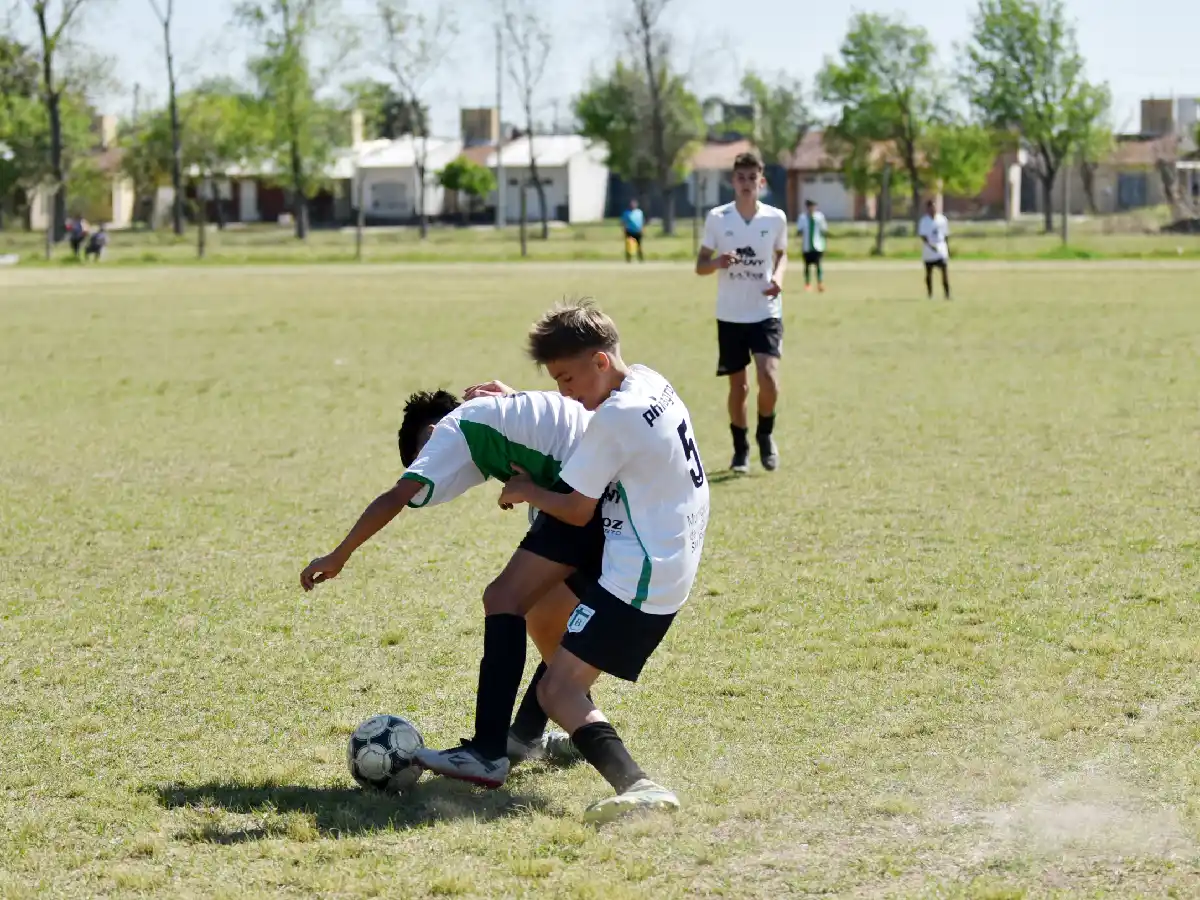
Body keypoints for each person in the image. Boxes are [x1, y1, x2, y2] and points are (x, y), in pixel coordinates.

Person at [418, 302, 710, 824]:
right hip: (668, 553)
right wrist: (519, 405)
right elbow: (601, 431)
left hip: (641, 575)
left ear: (600, 361)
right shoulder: (645, 382)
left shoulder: (615, 416)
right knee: (546, 608)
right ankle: (523, 739)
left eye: (568, 377)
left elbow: (576, 509)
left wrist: (526, 488)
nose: (564, 391)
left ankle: (637, 784)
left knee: (560, 687)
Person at [299, 388, 606, 775]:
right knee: (546, 611)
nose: (430, 467)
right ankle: (528, 735)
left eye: (422, 458)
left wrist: (338, 555)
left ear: (431, 431)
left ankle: (487, 752)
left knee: (504, 598)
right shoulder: (494, 416)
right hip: (615, 491)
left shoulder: (452, 427)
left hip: (601, 499)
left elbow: (397, 495)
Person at [694, 150, 789, 474]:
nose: (747, 183)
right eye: (741, 178)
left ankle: (765, 434)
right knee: (740, 387)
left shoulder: (775, 218)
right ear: (732, 181)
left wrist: (777, 278)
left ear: (761, 181)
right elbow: (700, 266)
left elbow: (782, 254)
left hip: (765, 310)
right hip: (732, 314)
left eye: (753, 178)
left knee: (769, 378)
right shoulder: (718, 218)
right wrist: (718, 262)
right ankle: (741, 448)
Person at [917, 200, 951, 300]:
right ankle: (930, 294)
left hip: (941, 249)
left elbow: (945, 235)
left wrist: (947, 247)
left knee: (944, 271)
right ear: (927, 209)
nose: (933, 209)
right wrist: (930, 245)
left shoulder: (942, 219)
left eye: (934, 207)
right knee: (929, 273)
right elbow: (923, 236)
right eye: (931, 208)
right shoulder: (924, 221)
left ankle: (947, 293)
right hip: (929, 250)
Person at [796, 199, 828, 292]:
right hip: (807, 246)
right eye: (810, 206)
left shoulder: (819, 217)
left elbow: (823, 230)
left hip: (818, 245)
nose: (812, 208)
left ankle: (820, 283)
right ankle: (807, 284)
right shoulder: (802, 218)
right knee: (807, 266)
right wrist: (798, 240)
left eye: (813, 206)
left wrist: (826, 242)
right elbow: (799, 231)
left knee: (818, 265)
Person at [621, 198, 645, 263]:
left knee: (639, 246)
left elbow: (642, 221)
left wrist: (642, 229)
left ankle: (641, 259)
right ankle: (628, 259)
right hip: (630, 231)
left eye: (634, 204)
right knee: (629, 246)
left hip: (638, 231)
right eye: (632, 204)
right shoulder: (626, 213)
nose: (633, 205)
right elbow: (624, 222)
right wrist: (624, 230)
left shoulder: (639, 212)